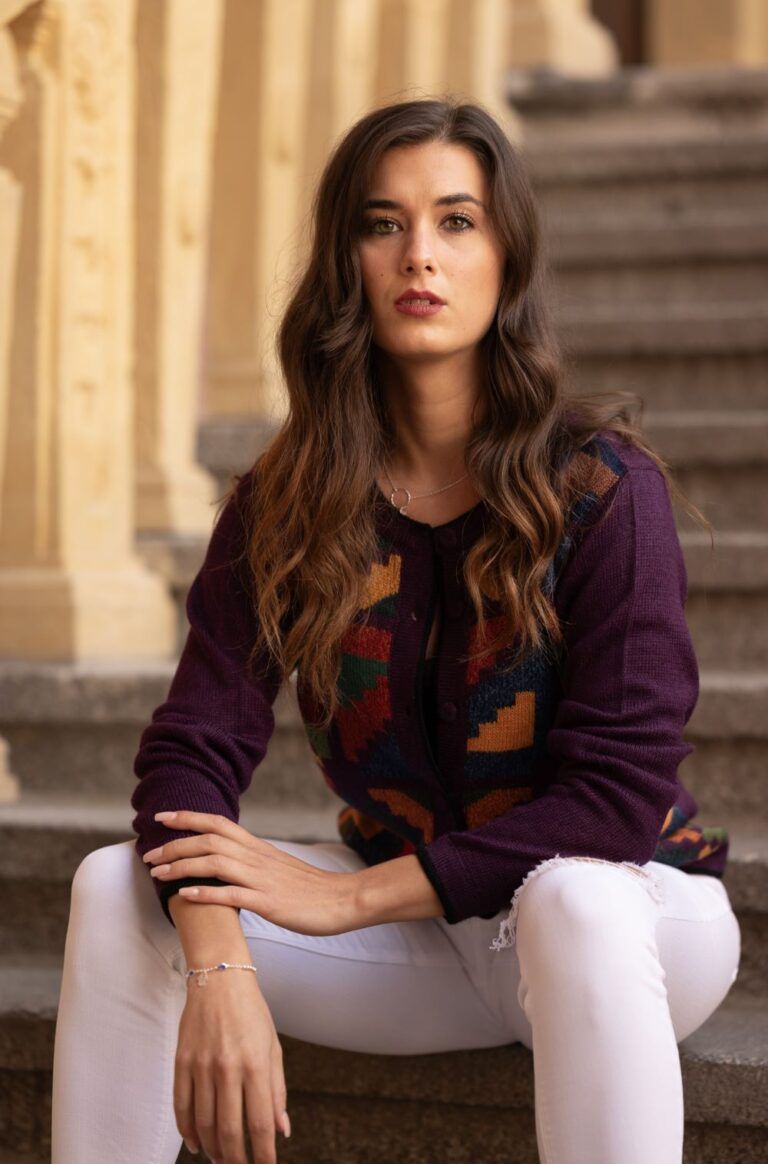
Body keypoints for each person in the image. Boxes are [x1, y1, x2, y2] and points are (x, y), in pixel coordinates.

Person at [51, 96, 741, 1164]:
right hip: (431, 942)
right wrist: (218, 962)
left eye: (457, 221)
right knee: (115, 887)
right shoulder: (289, 503)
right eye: (384, 224)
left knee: (574, 899)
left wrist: (350, 896)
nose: (419, 253)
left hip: (631, 923)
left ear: (507, 258)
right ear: (349, 262)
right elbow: (191, 747)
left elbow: (611, 801)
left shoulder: (602, 490)